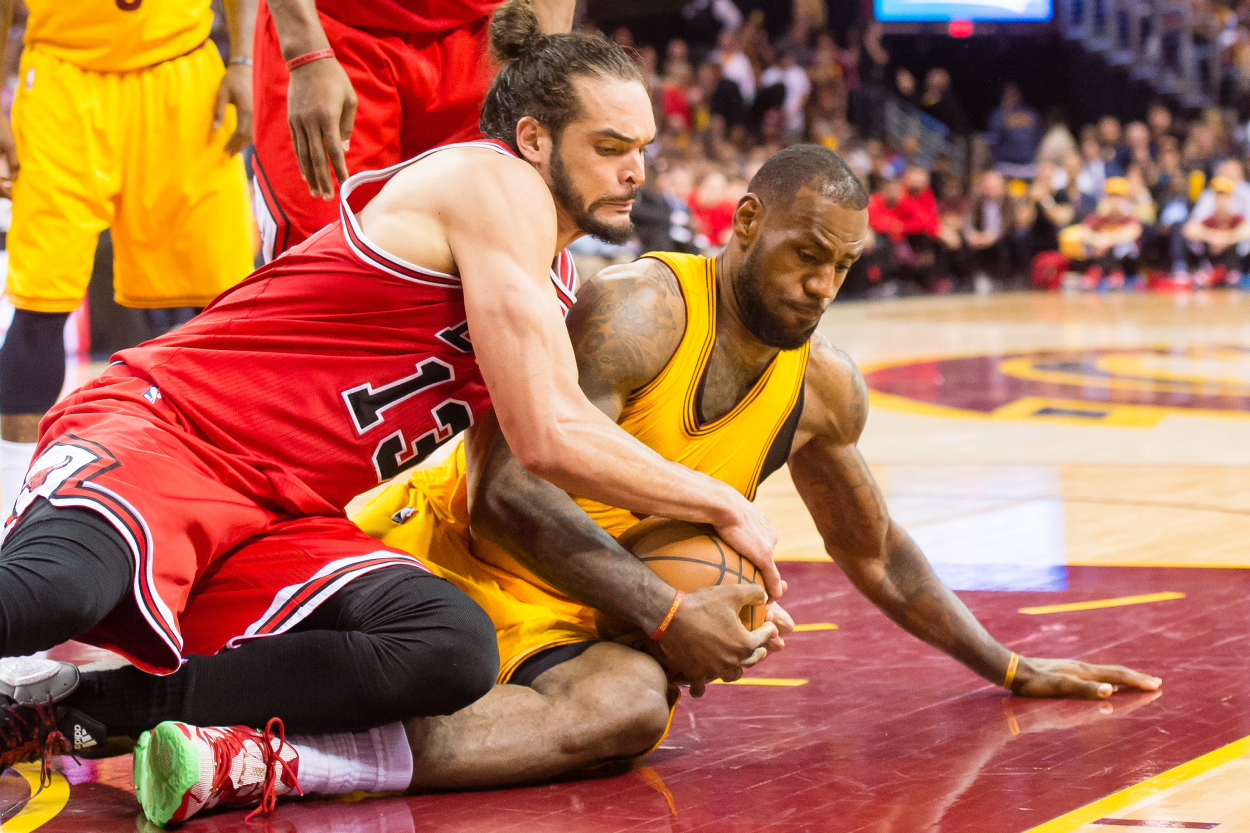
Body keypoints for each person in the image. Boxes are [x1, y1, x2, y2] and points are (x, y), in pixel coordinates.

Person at [130, 146, 1161, 821]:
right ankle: (115, 689)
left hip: (570, 610)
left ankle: (264, 765)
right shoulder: (640, 312)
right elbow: (505, 488)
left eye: (839, 269)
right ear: (745, 219)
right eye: (805, 254)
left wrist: (1006, 662)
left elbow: (875, 546)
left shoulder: (821, 392)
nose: (818, 285)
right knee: (581, 652)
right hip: (437, 554)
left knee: (627, 714)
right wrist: (669, 610)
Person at [0, 8, 781, 822]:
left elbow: (504, 479)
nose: (634, 172)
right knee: (54, 592)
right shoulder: (490, 181)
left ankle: (76, 708)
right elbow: (552, 433)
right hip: (168, 434)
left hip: (278, 516)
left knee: (450, 645)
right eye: (610, 147)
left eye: (642, 149)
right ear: (536, 139)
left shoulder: (549, 279)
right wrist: (718, 503)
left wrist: (667, 603)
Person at [0, 0, 257, 519]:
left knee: (217, 308)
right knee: (40, 303)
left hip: (184, 72)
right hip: (60, 76)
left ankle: (223, 501)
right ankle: (13, 499)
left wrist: (244, 62)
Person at [251, 0, 575, 262]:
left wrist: (544, 74)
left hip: (484, 35)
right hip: (335, 31)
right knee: (321, 259)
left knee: (500, 255)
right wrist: (305, 54)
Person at [1060, 176, 1144, 290]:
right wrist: (1097, 240)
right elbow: (1084, 232)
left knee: (1123, 246)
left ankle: (1102, 273)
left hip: (1125, 262)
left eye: (1118, 196)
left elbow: (1133, 232)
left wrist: (1107, 239)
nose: (1115, 200)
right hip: (1100, 255)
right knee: (1089, 245)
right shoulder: (1099, 216)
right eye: (1111, 196)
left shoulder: (1130, 216)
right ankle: (1110, 274)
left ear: (1125, 198)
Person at [1182, 175, 1250, 286]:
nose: (1221, 199)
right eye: (1218, 196)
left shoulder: (1237, 218)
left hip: (1232, 262)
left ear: (1231, 197)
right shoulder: (1209, 219)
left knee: (1243, 241)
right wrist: (1214, 237)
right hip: (1211, 259)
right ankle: (1205, 272)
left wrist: (1226, 239)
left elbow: (1247, 229)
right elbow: (1189, 229)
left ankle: (1232, 273)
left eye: (1224, 196)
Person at [985, 82, 1041, 180]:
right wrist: (1006, 110)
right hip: (1005, 166)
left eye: (1015, 94)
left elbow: (1038, 133)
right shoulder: (997, 115)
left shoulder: (1030, 112)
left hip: (1028, 165)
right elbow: (994, 134)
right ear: (1003, 96)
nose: (1012, 97)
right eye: (1008, 94)